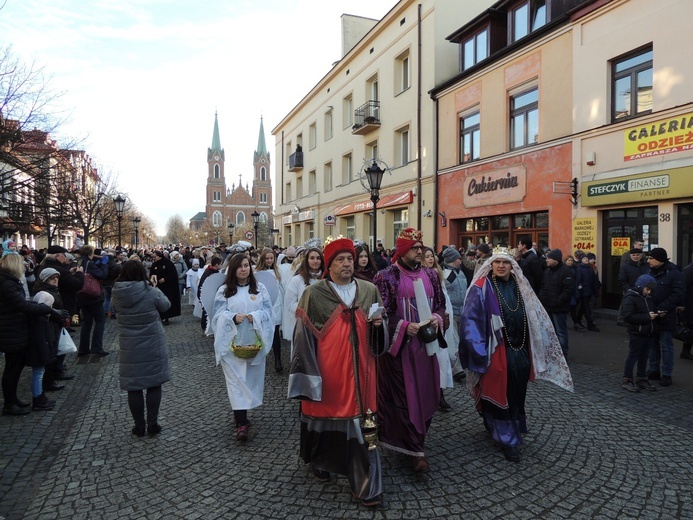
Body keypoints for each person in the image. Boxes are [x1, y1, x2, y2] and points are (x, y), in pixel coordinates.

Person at [288, 237, 388, 507]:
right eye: (340, 260)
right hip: (327, 372)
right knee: (323, 419)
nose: (347, 264)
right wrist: (308, 378)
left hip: (363, 373)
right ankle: (320, 460)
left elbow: (380, 337)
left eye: (350, 259)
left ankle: (366, 485)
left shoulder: (369, 291)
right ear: (329, 265)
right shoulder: (314, 294)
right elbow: (303, 341)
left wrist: (379, 326)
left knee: (361, 424)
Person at [459, 251, 573, 462]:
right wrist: (478, 350)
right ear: (491, 265)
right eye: (497, 262)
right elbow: (470, 321)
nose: (501, 266)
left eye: (505, 262)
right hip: (496, 351)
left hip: (520, 348)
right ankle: (506, 438)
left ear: (513, 266)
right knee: (500, 392)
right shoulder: (481, 288)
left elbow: (533, 315)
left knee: (517, 391)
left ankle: (511, 425)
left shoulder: (521, 286)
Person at [373, 228, 446, 473]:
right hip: (400, 350)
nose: (420, 252)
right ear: (403, 250)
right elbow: (381, 313)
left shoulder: (431, 275)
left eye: (421, 248)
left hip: (426, 348)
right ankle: (415, 449)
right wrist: (404, 326)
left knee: (426, 393)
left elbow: (441, 306)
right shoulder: (386, 277)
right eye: (415, 248)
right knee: (405, 398)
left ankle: (418, 442)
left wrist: (437, 318)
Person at [210, 253, 274, 441]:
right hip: (232, 345)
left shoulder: (259, 289)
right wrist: (231, 317)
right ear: (233, 269)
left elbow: (268, 312)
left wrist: (258, 316)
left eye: (246, 265)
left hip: (254, 343)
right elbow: (217, 315)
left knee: (250, 379)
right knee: (235, 381)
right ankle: (241, 422)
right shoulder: (225, 291)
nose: (244, 269)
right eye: (240, 266)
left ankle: (241, 412)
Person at [1, 254, 68, 415]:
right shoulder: (6, 283)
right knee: (11, 370)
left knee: (15, 369)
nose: (24, 266)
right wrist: (48, 309)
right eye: (22, 264)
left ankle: (13, 400)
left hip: (14, 329)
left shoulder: (8, 282)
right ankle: (10, 404)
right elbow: (22, 305)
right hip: (11, 331)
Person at [112, 261, 171, 437]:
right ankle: (153, 423)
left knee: (134, 385)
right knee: (153, 383)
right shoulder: (149, 291)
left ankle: (139, 426)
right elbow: (166, 305)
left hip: (129, 344)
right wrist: (154, 287)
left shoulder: (117, 293)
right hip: (152, 342)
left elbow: (113, 310)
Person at [34, 245, 84, 383]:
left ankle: (56, 369)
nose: (65, 257)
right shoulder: (59, 270)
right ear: (57, 256)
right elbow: (76, 284)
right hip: (60, 309)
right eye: (63, 255)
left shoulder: (43, 267)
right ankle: (56, 370)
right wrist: (79, 273)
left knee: (55, 341)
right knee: (57, 342)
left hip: (55, 308)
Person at [646, 248, 684, 387]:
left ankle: (667, 374)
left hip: (666, 315)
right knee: (652, 344)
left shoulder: (674, 273)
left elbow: (678, 294)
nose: (648, 260)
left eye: (651, 258)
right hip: (652, 315)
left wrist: (662, 308)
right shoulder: (650, 271)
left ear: (660, 259)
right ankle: (654, 370)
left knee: (666, 346)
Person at [423, 247, 455, 411]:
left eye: (431, 256)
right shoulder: (420, 275)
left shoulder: (438, 272)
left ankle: (440, 393)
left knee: (442, 357)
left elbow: (444, 298)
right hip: (427, 318)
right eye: (426, 256)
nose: (430, 259)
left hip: (441, 318)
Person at [619, 275, 659, 393]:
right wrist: (648, 317)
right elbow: (628, 316)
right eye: (647, 289)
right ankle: (627, 379)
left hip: (648, 331)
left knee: (644, 356)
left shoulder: (648, 297)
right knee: (633, 355)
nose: (649, 292)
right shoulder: (630, 298)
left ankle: (641, 377)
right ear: (641, 287)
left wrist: (657, 313)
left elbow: (650, 310)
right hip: (637, 332)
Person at [282, 247, 324, 355]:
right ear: (307, 260)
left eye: (318, 258)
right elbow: (290, 303)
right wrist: (307, 309)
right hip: (303, 325)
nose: (315, 261)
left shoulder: (326, 278)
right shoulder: (297, 280)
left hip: (323, 325)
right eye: (312, 258)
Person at [538, 249, 574, 361]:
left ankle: (563, 355)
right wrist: (542, 300)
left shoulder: (566, 271)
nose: (547, 260)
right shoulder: (547, 271)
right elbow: (543, 287)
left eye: (549, 258)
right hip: (548, 307)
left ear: (556, 260)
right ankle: (552, 354)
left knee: (561, 332)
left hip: (559, 308)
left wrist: (557, 301)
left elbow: (568, 290)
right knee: (549, 332)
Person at [76, 245, 110, 357]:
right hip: (93, 297)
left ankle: (83, 348)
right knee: (100, 321)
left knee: (87, 323)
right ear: (90, 253)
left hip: (82, 296)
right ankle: (97, 348)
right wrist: (104, 265)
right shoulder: (90, 264)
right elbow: (102, 275)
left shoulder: (79, 262)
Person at [255, 247, 284, 372]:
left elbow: (282, 288)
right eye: (267, 258)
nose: (269, 260)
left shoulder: (278, 272)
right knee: (262, 332)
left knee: (275, 333)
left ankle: (278, 359)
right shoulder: (257, 272)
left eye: (271, 258)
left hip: (276, 304)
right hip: (263, 305)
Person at [28, 291, 57, 411]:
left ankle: (40, 397)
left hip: (39, 352)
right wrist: (46, 355)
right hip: (38, 353)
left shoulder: (39, 318)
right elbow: (41, 340)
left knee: (39, 374)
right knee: (38, 375)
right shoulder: (40, 320)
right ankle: (38, 398)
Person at [150, 250, 182, 325]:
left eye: (155, 257)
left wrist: (165, 279)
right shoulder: (154, 264)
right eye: (153, 257)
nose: (154, 258)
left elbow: (173, 274)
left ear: (159, 256)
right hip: (158, 286)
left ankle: (166, 317)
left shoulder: (167, 263)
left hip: (167, 287)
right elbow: (152, 274)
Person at [574, 253, 600, 332]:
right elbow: (578, 281)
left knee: (583, 307)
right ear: (581, 260)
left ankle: (577, 320)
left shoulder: (590, 268)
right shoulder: (579, 269)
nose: (586, 259)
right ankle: (590, 324)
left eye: (586, 258)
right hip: (583, 291)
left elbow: (593, 280)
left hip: (589, 291)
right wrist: (577, 291)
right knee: (587, 308)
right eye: (584, 258)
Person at [198, 256, 222, 335]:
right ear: (216, 264)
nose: (221, 266)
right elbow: (204, 286)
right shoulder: (208, 273)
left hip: (214, 296)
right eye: (220, 264)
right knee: (206, 312)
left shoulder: (215, 272)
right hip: (207, 296)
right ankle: (204, 328)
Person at [680, 259, 693, 361]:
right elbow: (682, 287)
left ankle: (686, 351)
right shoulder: (689, 270)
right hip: (689, 304)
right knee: (690, 327)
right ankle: (685, 351)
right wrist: (682, 304)